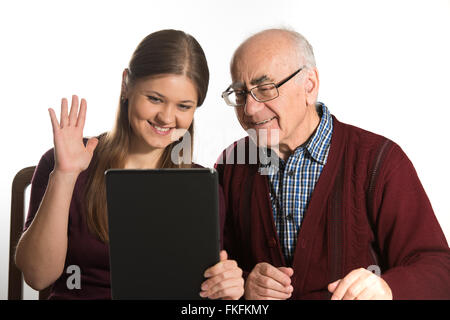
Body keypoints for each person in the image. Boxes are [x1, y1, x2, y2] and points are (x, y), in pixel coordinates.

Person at [215, 28, 450, 300]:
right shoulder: (231, 165)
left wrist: (387, 288)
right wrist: (244, 284)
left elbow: (439, 269)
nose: (250, 110)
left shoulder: (379, 161)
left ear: (309, 85)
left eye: (266, 90)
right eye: (241, 94)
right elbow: (212, 269)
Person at [15, 29, 244, 300]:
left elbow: (197, 292)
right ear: (126, 84)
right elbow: (37, 276)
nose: (166, 117)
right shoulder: (64, 161)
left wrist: (226, 286)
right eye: (155, 99)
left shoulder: (202, 187)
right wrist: (64, 175)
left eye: (183, 106)